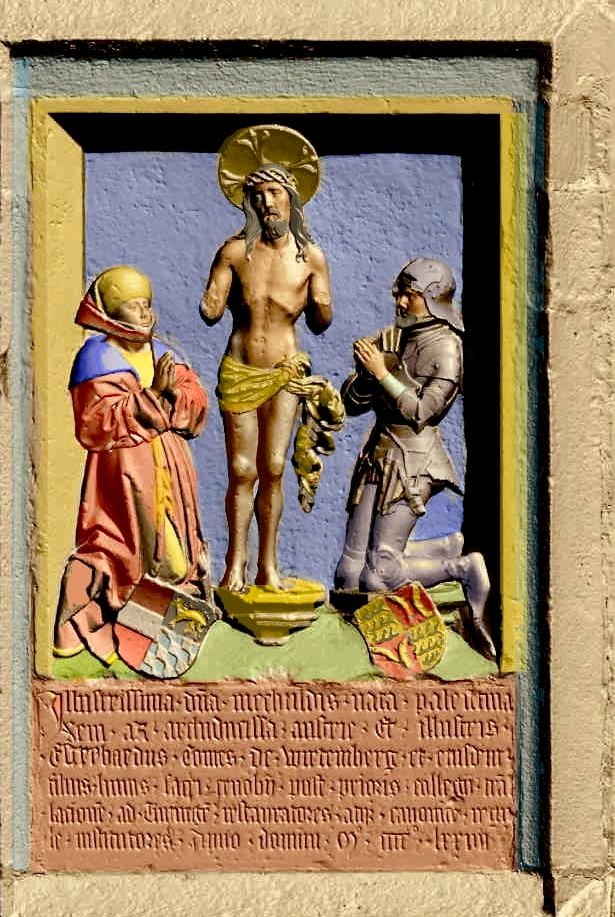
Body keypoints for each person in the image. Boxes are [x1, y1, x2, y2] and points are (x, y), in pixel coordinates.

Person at [334, 257, 495, 659]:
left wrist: (383, 374)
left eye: (410, 295)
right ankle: (444, 548)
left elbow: (423, 411)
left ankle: (461, 567)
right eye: (400, 293)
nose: (401, 302)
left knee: (381, 574)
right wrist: (366, 375)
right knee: (349, 573)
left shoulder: (445, 347)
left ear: (432, 298)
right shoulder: (396, 337)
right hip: (379, 454)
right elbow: (352, 402)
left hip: (414, 462)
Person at [53, 265, 208, 676]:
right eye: (132, 305)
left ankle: (153, 640)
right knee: (122, 551)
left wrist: (175, 395)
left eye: (146, 304)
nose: (144, 312)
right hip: (122, 475)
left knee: (178, 557)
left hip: (171, 471)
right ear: (109, 312)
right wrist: (153, 396)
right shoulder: (97, 357)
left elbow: (195, 403)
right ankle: (87, 620)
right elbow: (94, 422)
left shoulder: (163, 353)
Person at [201, 158, 332, 592]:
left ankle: (267, 565)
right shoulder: (235, 252)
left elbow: (321, 320)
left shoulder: (310, 258)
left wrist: (320, 299)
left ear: (291, 199)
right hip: (241, 368)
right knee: (242, 469)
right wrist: (216, 289)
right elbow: (211, 310)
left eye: (274, 193)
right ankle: (234, 564)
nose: (266, 203)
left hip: (283, 371)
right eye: (257, 196)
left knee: (273, 467)